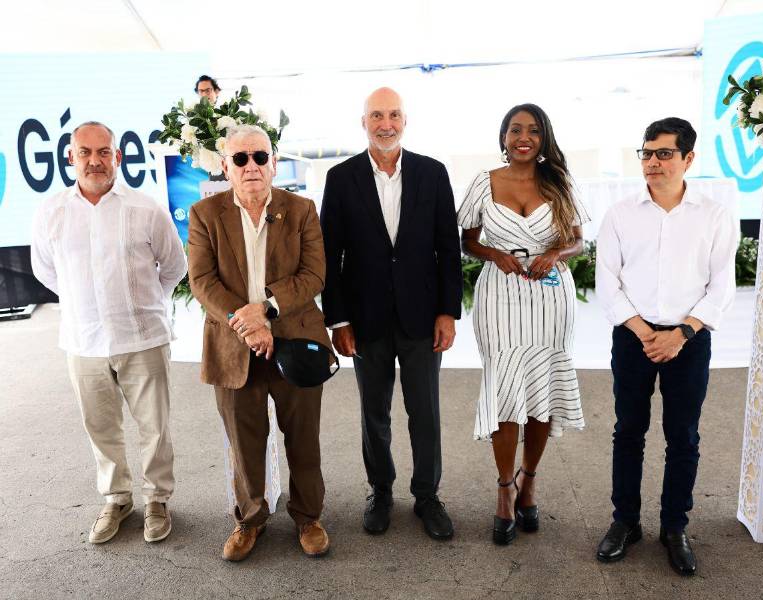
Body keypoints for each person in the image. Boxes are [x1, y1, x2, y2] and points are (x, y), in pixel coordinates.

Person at [31, 121, 187, 544]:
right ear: (70, 157)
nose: (95, 160)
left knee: (155, 427)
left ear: (118, 157)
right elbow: (45, 269)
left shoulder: (145, 208)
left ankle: (157, 499)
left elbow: (174, 265)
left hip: (142, 337)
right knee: (100, 426)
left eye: (104, 152)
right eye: (85, 152)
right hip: (83, 341)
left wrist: (147, 301)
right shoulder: (52, 212)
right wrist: (82, 302)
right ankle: (117, 498)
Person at [594, 117, 737, 575]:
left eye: (664, 154)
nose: (653, 162)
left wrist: (681, 334)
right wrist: (643, 332)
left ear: (688, 158)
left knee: (684, 437)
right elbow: (607, 283)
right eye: (647, 153)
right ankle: (625, 522)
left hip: (688, 340)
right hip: (633, 337)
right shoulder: (620, 214)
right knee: (628, 433)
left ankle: (674, 527)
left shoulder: (714, 215)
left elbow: (722, 286)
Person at [320, 87, 462, 540]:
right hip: (365, 321)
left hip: (422, 318)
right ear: (363, 122)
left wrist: (448, 312)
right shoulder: (341, 178)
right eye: (377, 115)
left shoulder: (433, 173)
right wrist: (338, 320)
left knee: (425, 411)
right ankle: (380, 490)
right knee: (373, 412)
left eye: (394, 115)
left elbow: (448, 248)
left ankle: (427, 495)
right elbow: (329, 254)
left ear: (406, 120)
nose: (386, 123)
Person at [188, 124, 331, 561]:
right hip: (234, 347)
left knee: (303, 438)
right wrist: (245, 323)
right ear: (227, 168)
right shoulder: (205, 214)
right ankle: (250, 520)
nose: (252, 166)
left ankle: (308, 517)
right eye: (240, 159)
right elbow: (202, 281)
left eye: (260, 157)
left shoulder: (302, 209)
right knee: (244, 441)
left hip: (295, 341)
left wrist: (265, 310)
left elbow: (313, 275)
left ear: (273, 161)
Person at [457, 103, 589, 545]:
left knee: (540, 391)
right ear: (504, 136)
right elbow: (467, 239)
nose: (523, 137)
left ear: (543, 136)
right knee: (505, 388)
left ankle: (529, 480)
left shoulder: (560, 181)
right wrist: (494, 254)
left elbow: (577, 240)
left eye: (532, 130)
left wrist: (556, 253)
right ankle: (503, 488)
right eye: (515, 129)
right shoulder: (484, 181)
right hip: (501, 296)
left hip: (551, 296)